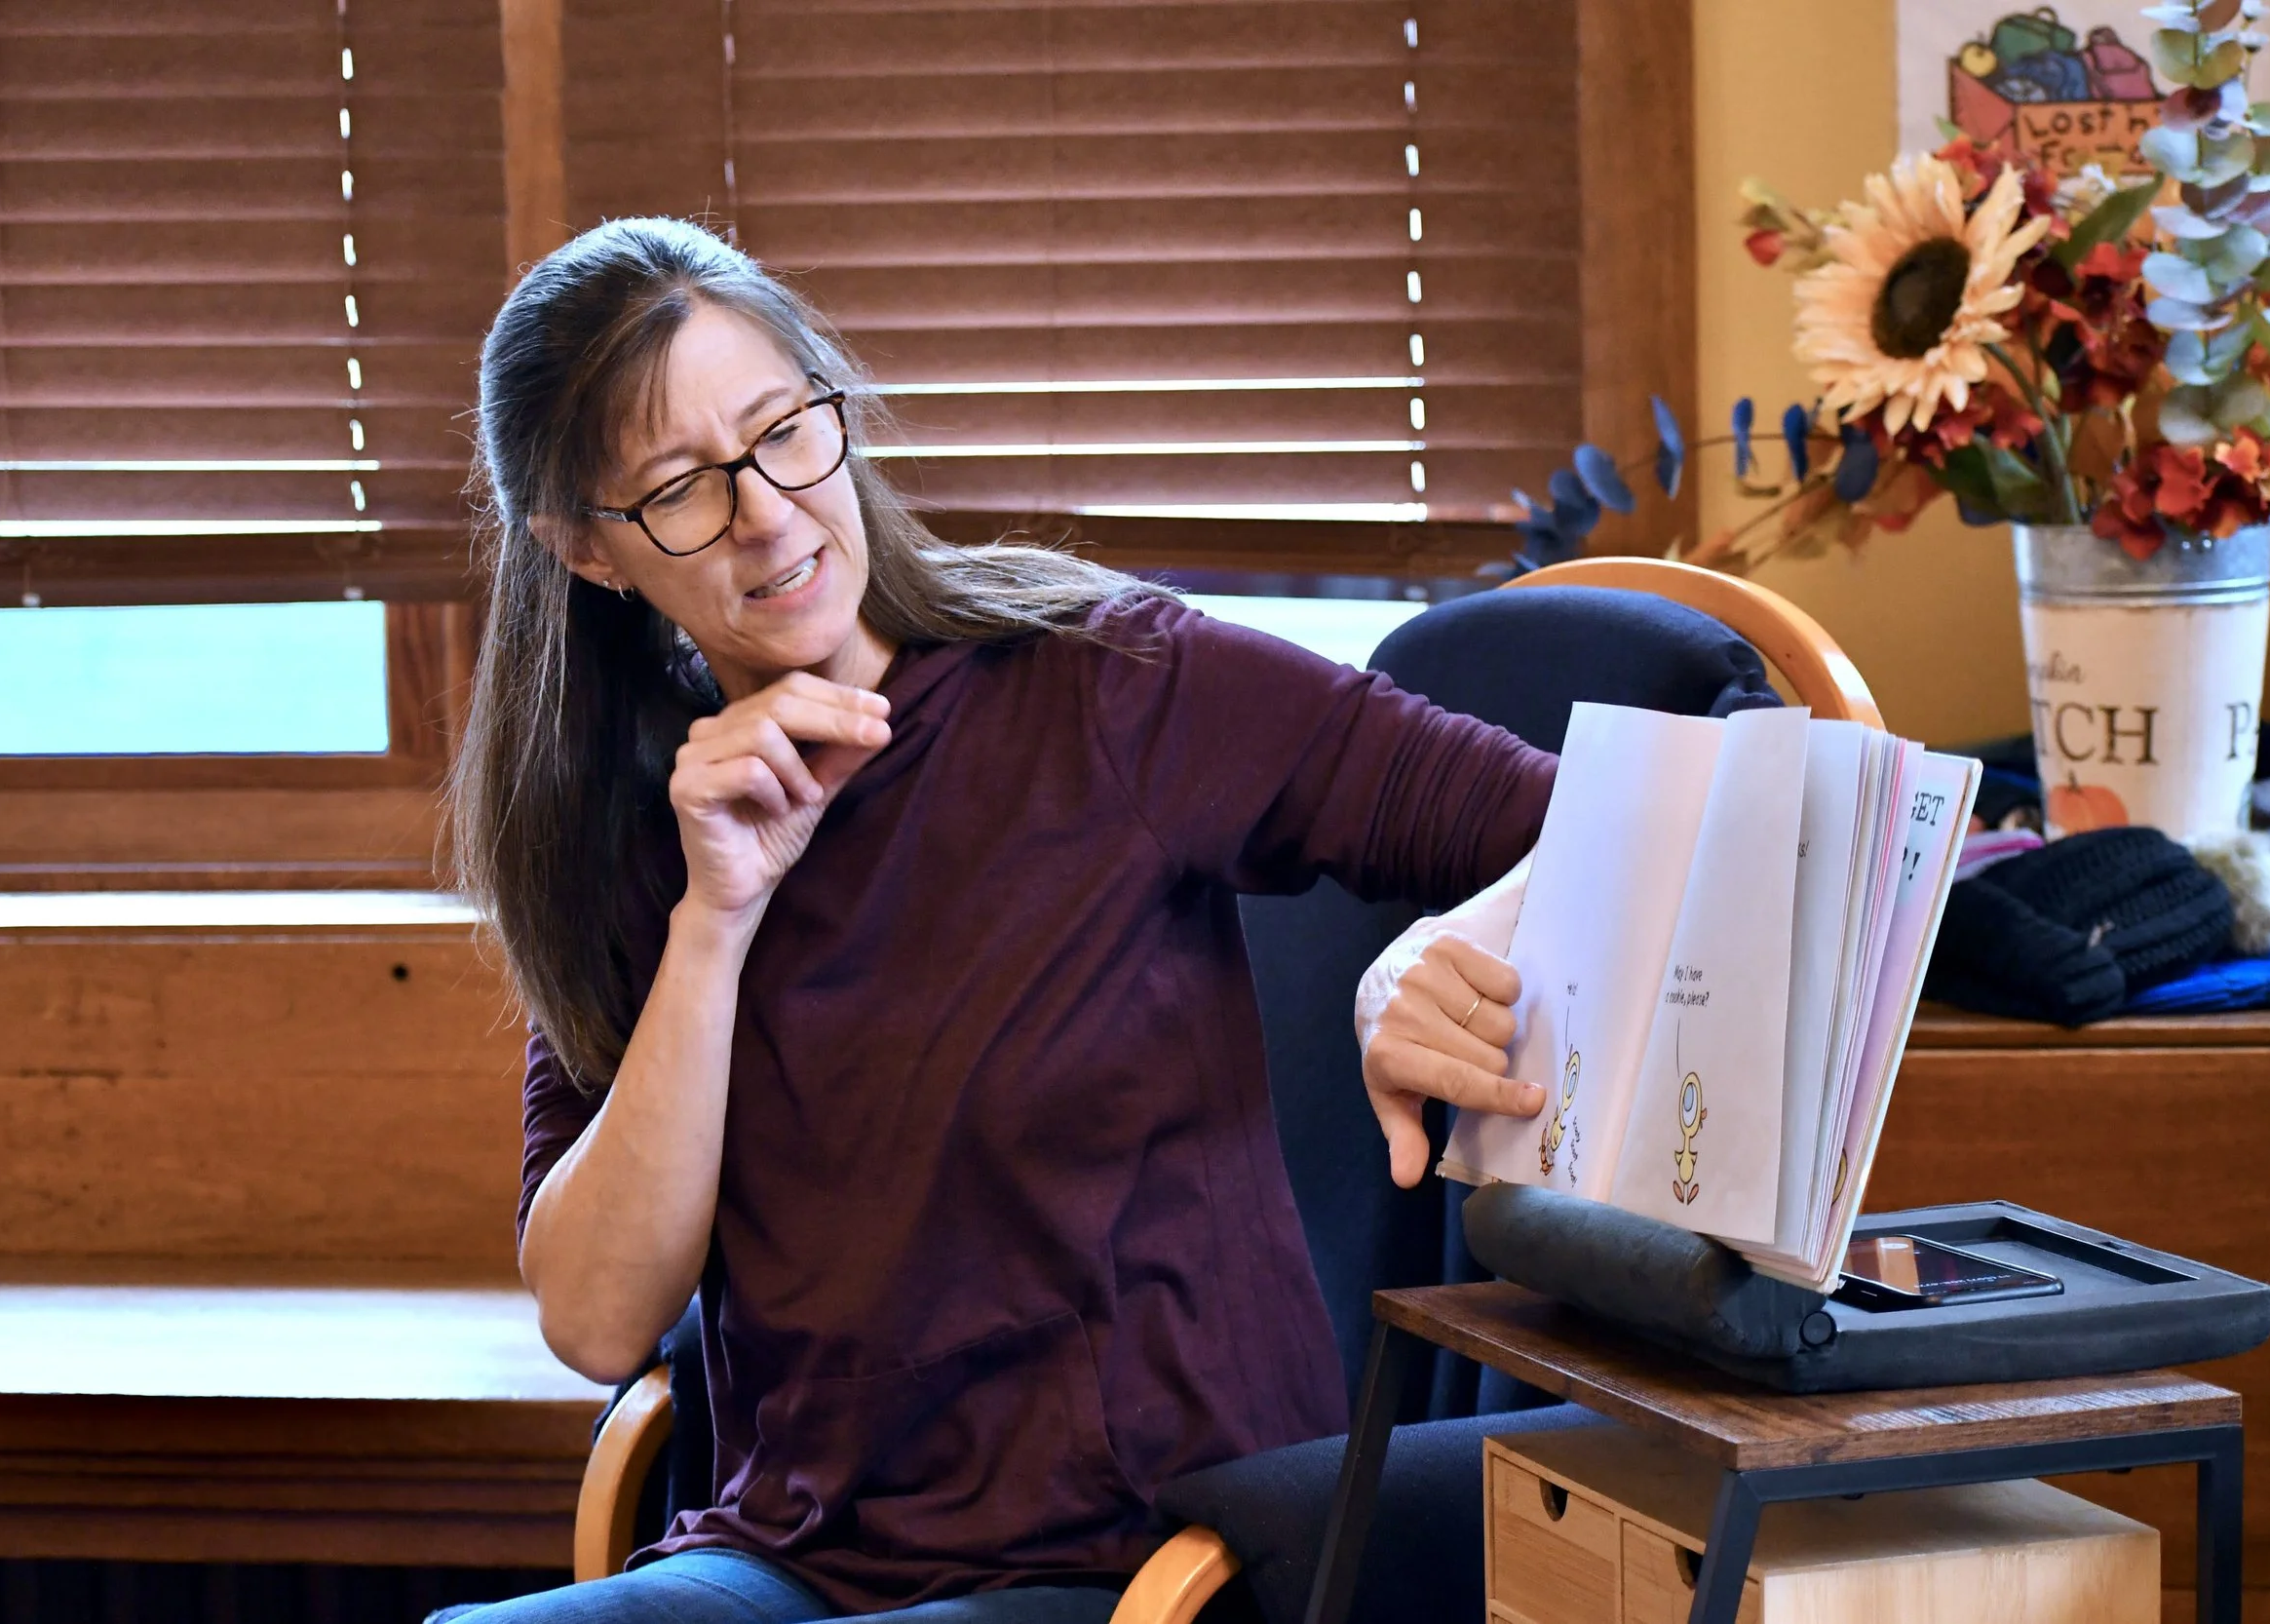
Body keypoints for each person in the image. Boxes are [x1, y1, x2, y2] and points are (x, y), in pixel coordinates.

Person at [439, 217, 1554, 1624]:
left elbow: (1601, 823)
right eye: (679, 489)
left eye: (787, 430)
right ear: (587, 551)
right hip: (791, 1557)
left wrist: (1416, 961)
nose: (772, 512)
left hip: (1143, 1556)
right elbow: (598, 1317)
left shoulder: (1110, 681)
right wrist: (714, 914)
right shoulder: (642, 828)